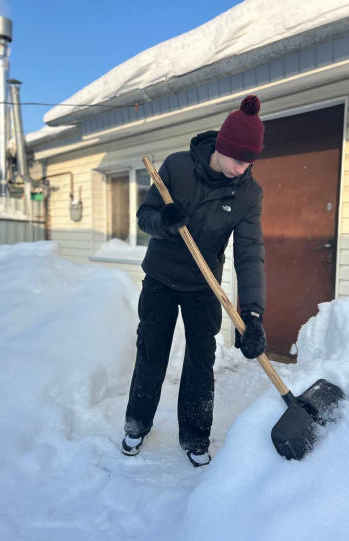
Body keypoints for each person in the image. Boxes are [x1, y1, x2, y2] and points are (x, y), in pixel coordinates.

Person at [121, 95, 267, 467]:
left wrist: (252, 313)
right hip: (160, 279)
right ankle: (136, 424)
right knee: (151, 354)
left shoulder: (248, 193)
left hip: (204, 285)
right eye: (238, 159)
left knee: (201, 363)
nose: (242, 168)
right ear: (223, 147)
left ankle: (196, 437)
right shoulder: (177, 166)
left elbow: (249, 252)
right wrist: (164, 222)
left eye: (249, 161)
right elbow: (145, 216)